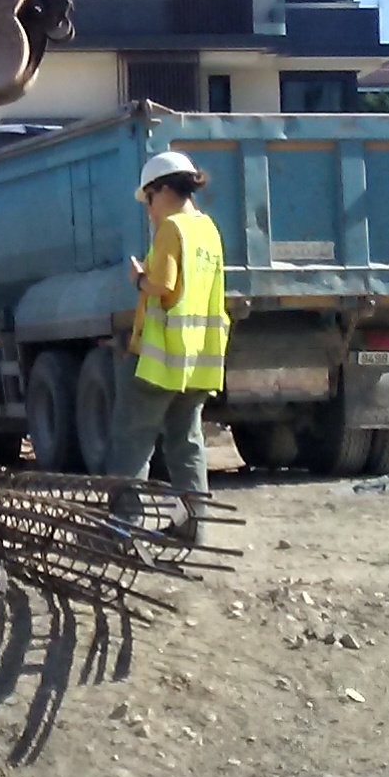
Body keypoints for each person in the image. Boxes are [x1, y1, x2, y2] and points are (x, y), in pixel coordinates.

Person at [107, 150, 229, 543]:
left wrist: (138, 279)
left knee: (131, 443)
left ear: (162, 191)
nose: (148, 211)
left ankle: (123, 529)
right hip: (197, 363)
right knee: (186, 443)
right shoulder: (209, 230)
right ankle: (195, 526)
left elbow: (165, 287)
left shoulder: (172, 229)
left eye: (149, 200)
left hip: (158, 362)